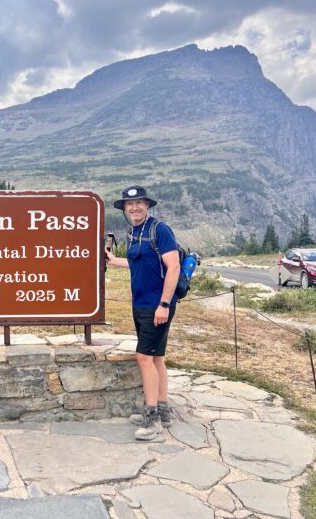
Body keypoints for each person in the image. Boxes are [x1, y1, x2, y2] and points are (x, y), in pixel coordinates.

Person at [105, 185, 180, 441]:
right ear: (125, 208)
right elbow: (138, 262)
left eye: (139, 203)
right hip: (141, 305)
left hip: (156, 306)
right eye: (129, 204)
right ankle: (163, 409)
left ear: (147, 205)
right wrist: (115, 261)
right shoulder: (134, 232)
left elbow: (173, 267)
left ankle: (152, 421)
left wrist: (164, 304)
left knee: (143, 358)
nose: (134, 207)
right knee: (156, 357)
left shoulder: (160, 230)